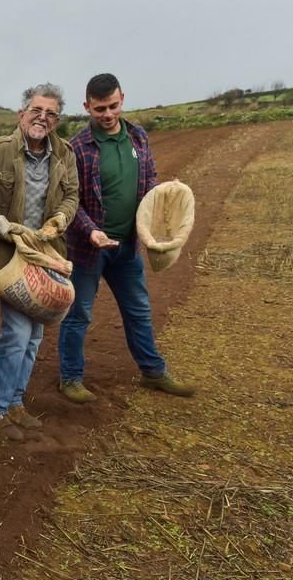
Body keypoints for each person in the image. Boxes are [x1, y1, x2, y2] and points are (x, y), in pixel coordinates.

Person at [57, 73, 195, 403]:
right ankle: (70, 378)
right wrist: (91, 230)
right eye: (100, 108)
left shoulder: (138, 137)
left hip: (127, 246)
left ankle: (153, 372)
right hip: (88, 250)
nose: (107, 114)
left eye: (113, 106)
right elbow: (69, 200)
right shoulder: (77, 147)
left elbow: (149, 182)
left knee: (138, 311)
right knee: (78, 315)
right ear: (87, 106)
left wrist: (163, 197)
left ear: (123, 99)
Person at [0, 84, 79, 441]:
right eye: (36, 110)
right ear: (22, 114)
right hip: (10, 254)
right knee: (17, 332)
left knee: (35, 334)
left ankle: (14, 401)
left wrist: (61, 220)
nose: (42, 118)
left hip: (47, 253)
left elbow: (71, 194)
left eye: (50, 113)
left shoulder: (64, 153)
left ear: (57, 120)